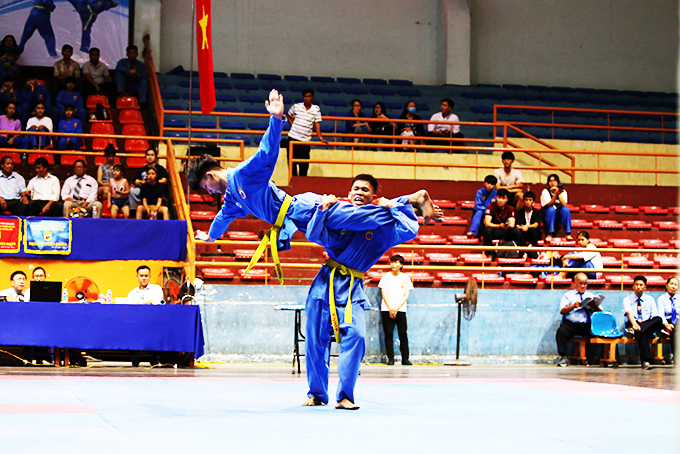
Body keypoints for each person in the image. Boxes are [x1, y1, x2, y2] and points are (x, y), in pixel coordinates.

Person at [189, 91, 440, 278]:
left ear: (210, 176)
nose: (208, 192)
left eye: (205, 186)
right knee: (343, 239)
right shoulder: (233, 197)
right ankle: (409, 208)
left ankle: (411, 200)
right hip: (299, 221)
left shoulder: (244, 174)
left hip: (304, 208)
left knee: (359, 217)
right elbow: (223, 217)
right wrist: (211, 237)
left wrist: (276, 120)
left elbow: (266, 153)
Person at [302, 174, 420, 410]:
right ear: (348, 193)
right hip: (325, 283)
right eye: (355, 188)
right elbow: (313, 235)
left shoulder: (382, 224)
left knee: (356, 336)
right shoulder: (338, 216)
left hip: (353, 287)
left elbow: (410, 230)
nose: (359, 192)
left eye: (365, 190)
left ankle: (345, 395)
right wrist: (323, 210)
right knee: (315, 340)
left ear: (373, 196)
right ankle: (317, 393)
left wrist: (393, 206)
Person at [555, 273, 602, 367]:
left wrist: (595, 307)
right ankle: (563, 357)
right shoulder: (567, 295)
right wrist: (573, 306)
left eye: (585, 283)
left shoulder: (590, 296)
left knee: (602, 333)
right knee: (561, 332)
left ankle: (605, 357)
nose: (583, 286)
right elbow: (562, 310)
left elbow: (600, 311)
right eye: (580, 283)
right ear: (574, 283)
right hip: (572, 324)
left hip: (587, 324)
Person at [623, 276, 664, 370]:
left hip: (646, 324)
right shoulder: (627, 299)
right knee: (643, 333)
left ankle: (636, 331)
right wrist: (635, 324)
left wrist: (642, 324)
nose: (638, 287)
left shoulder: (650, 299)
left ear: (645, 287)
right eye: (636, 284)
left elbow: (654, 316)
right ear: (633, 286)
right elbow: (629, 313)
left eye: (641, 285)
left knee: (658, 320)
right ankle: (645, 361)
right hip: (632, 323)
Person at [379, 254, 413, 366]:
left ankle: (405, 358)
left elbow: (406, 295)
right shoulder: (385, 277)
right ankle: (390, 358)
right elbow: (383, 294)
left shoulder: (405, 278)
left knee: (403, 334)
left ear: (401, 265)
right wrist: (390, 308)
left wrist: (396, 308)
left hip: (401, 310)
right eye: (392, 261)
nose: (393, 264)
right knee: (388, 334)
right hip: (386, 309)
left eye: (396, 262)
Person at [285, 89, 327, 176]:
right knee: (292, 163)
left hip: (305, 140)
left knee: (304, 164)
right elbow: (288, 115)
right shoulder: (296, 106)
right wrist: (293, 125)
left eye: (309, 96)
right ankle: (293, 182)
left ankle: (302, 182)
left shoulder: (316, 109)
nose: (307, 98)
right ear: (303, 97)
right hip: (293, 138)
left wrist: (320, 138)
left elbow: (317, 123)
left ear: (312, 98)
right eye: (305, 96)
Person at [481, 188, 522, 252]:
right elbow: (487, 223)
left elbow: (512, 223)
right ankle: (490, 252)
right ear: (496, 197)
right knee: (487, 230)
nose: (500, 200)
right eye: (499, 198)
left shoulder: (510, 208)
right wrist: (499, 226)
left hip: (504, 230)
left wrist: (508, 225)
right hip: (494, 230)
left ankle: (514, 251)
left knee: (516, 231)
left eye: (503, 198)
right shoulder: (490, 206)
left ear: (507, 200)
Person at [540, 174, 572, 242]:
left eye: (554, 181)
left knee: (566, 210)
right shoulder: (545, 191)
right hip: (547, 213)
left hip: (558, 213)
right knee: (551, 210)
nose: (552, 183)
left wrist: (558, 193)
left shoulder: (563, 192)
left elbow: (564, 204)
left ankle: (567, 233)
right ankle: (550, 233)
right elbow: (549, 204)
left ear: (558, 182)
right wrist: (555, 194)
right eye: (550, 181)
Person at [656, 276, 677, 365]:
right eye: (671, 284)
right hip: (666, 321)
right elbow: (661, 314)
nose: (673, 286)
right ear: (666, 285)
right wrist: (666, 324)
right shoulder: (661, 299)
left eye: (675, 285)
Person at [516, 190, 541, 258]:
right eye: (526, 200)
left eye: (530, 200)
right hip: (523, 232)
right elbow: (517, 225)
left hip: (533, 232)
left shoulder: (537, 212)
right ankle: (522, 252)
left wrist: (527, 226)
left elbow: (536, 224)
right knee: (518, 232)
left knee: (533, 230)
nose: (528, 202)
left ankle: (534, 250)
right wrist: (522, 228)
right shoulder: (519, 212)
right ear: (524, 201)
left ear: (533, 201)